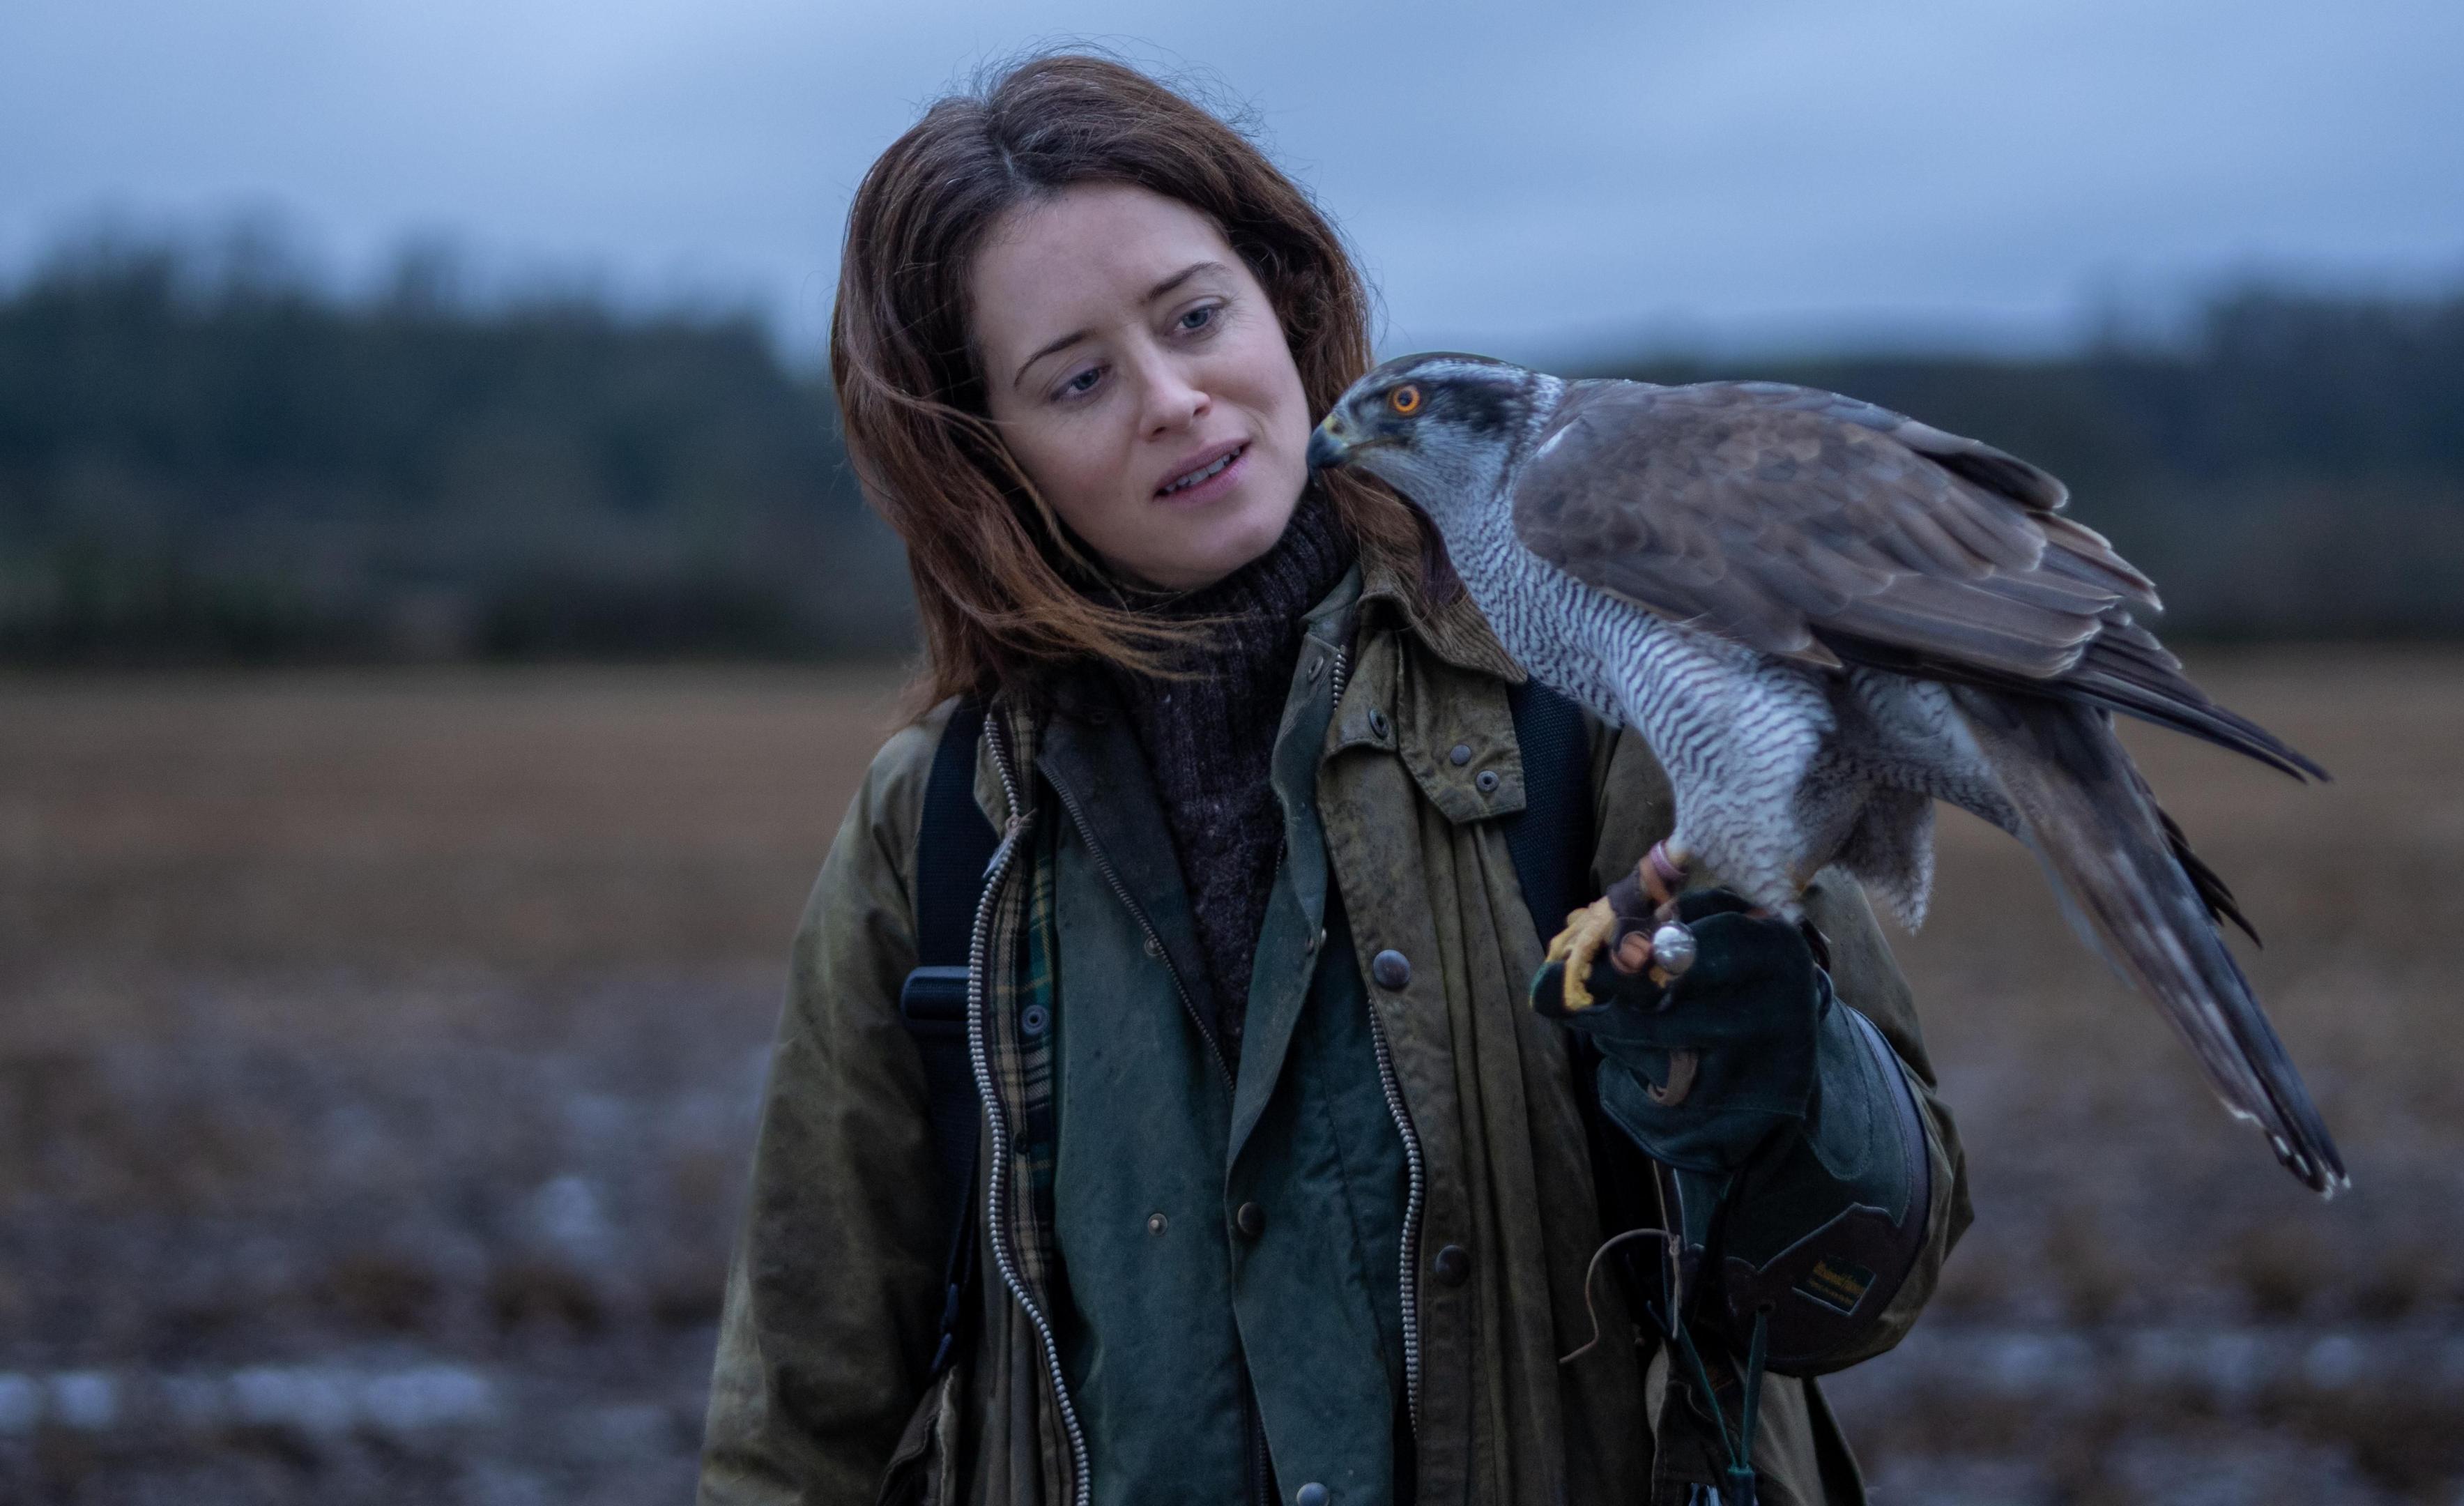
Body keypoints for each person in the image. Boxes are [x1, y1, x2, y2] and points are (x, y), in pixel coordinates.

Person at [698, 52, 1971, 1506]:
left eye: (1195, 317)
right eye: (1080, 379)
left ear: (1284, 303)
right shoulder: (939, 832)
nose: (1175, 398)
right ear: (987, 461)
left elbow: (1871, 1287)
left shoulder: (1605, 689)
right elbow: (802, 1412)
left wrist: (1788, 1077)